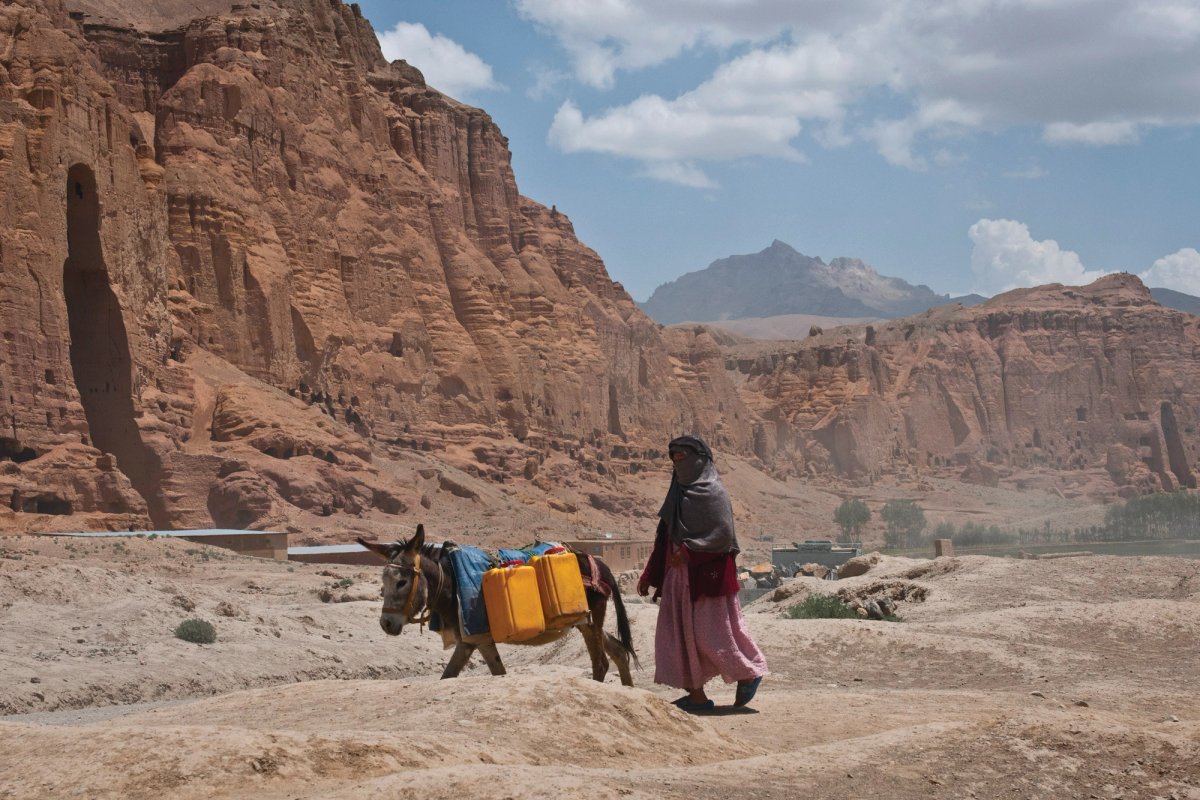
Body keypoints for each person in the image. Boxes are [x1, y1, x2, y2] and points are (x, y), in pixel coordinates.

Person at [637, 435, 768, 712]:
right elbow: (665, 536)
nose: (678, 465)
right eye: (674, 460)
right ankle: (696, 696)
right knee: (677, 638)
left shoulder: (714, 492)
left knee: (714, 636)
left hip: (707, 579)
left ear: (700, 460)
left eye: (683, 458)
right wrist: (650, 575)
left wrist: (689, 552)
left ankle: (748, 672)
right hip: (678, 580)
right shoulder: (676, 495)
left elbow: (722, 536)